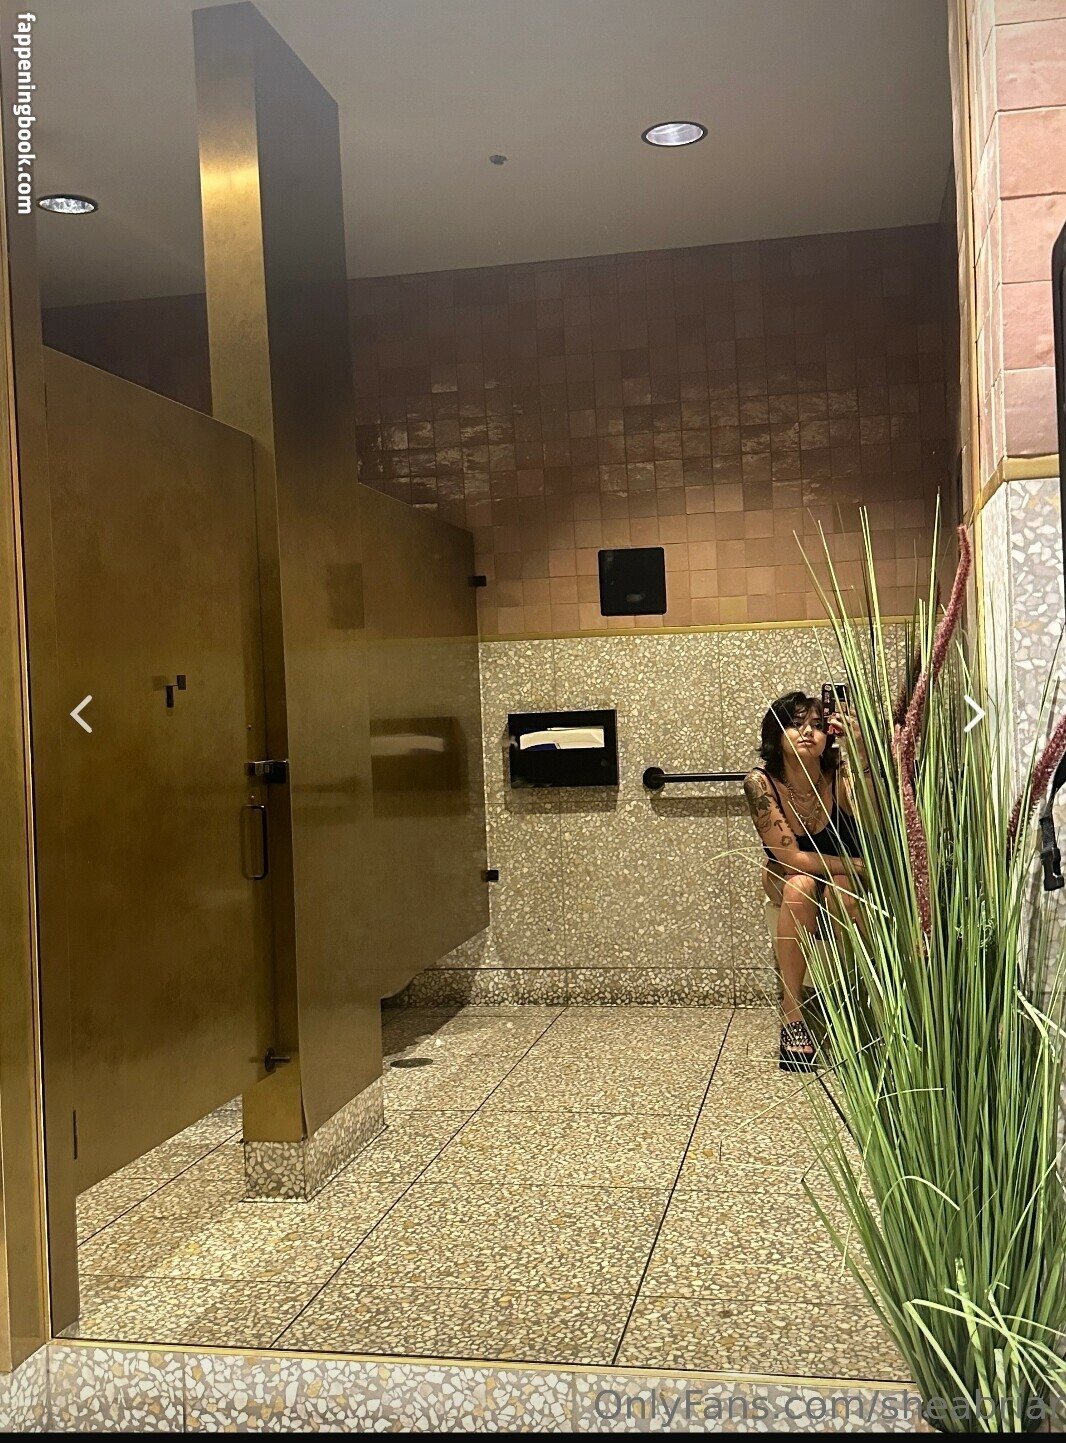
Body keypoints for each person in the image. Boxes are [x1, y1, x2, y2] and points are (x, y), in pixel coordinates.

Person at [742, 690, 867, 1072]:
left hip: (844, 878)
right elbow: (791, 859)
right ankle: (793, 1012)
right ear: (776, 734)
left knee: (844, 895)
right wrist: (856, 865)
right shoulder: (760, 783)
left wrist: (861, 752)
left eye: (817, 725)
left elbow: (876, 816)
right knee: (800, 885)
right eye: (795, 725)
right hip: (794, 875)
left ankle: (861, 1006)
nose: (808, 732)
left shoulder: (840, 773)